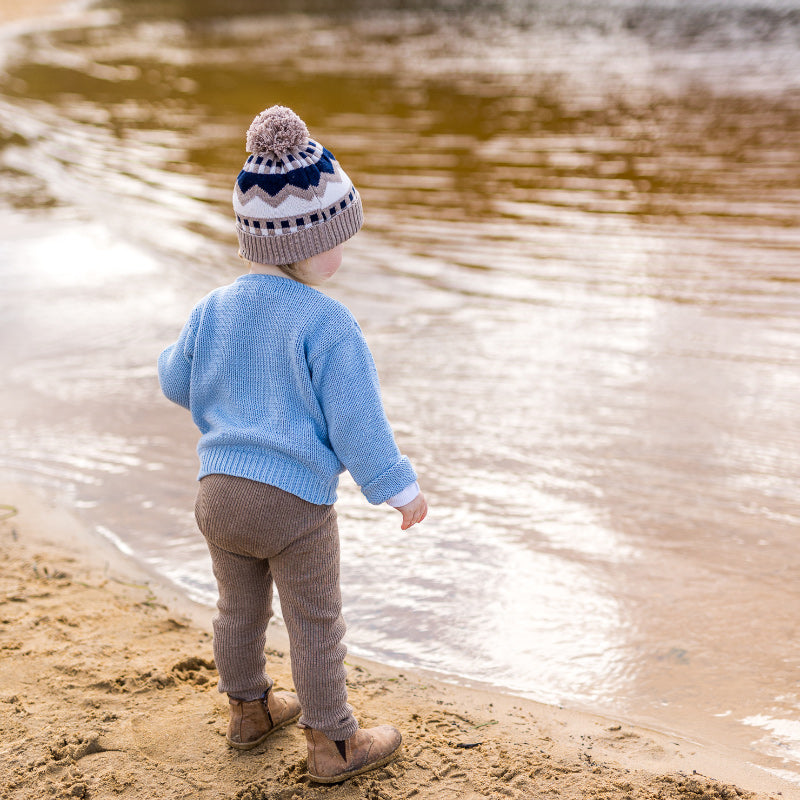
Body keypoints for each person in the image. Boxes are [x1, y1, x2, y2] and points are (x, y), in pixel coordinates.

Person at [157, 105, 427, 783]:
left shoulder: (214, 306)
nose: (344, 251)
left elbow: (174, 379)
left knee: (237, 608)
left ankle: (248, 712)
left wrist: (228, 396)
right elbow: (356, 425)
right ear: (305, 243)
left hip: (217, 494)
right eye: (337, 239)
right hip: (293, 505)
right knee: (314, 621)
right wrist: (396, 486)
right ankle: (332, 745)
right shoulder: (329, 325)